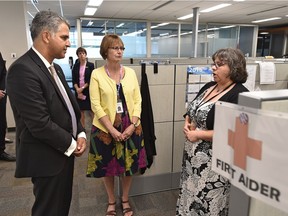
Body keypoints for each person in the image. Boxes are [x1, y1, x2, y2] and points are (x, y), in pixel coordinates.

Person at [6, 11, 86, 216]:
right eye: (64, 37)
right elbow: (39, 123)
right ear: (46, 36)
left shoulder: (55, 68)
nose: (69, 43)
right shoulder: (23, 70)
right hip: (47, 157)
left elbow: (69, 107)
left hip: (63, 152)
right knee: (49, 210)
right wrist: (72, 143)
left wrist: (81, 132)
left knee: (61, 206)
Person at [176, 48, 249, 215]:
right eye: (213, 64)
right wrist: (187, 122)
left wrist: (198, 134)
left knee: (208, 201)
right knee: (191, 193)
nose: (213, 68)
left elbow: (235, 133)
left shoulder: (239, 94)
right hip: (192, 158)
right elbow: (191, 109)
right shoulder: (209, 86)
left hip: (214, 161)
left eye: (219, 64)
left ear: (234, 68)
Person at [86, 34, 147, 216]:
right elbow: (95, 104)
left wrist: (133, 124)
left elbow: (138, 100)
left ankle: (125, 199)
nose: (119, 51)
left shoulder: (130, 73)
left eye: (121, 48)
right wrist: (111, 129)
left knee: (128, 165)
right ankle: (112, 201)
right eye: (115, 48)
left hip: (131, 125)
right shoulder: (96, 74)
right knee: (107, 166)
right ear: (106, 51)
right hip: (105, 128)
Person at [72, 47, 94, 128]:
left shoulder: (90, 65)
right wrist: (77, 89)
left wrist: (83, 88)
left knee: (91, 110)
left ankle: (94, 127)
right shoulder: (76, 66)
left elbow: (91, 79)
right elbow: (74, 79)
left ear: (86, 54)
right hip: (78, 92)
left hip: (87, 91)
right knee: (81, 111)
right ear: (77, 55)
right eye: (80, 53)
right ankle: (83, 128)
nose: (82, 55)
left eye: (83, 53)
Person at [0, 52, 16, 161]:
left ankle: (1, 149)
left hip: (1, 95)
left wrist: (4, 89)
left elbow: (3, 72)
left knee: (2, 122)